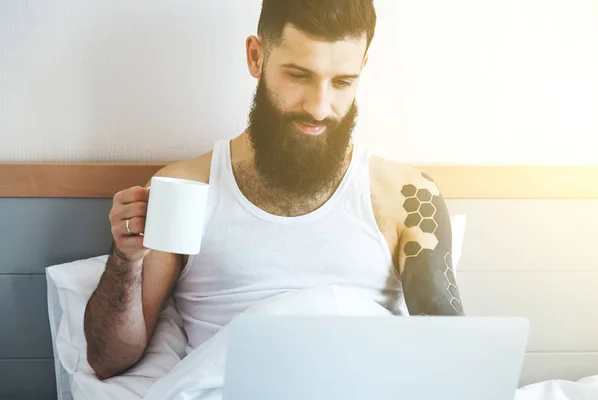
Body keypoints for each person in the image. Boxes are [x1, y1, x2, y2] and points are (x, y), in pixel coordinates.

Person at [83, 0, 464, 381]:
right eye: (298, 75)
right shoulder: (187, 189)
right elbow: (109, 358)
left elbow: (450, 355)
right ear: (256, 57)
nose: (319, 107)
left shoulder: (407, 197)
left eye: (342, 82)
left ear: (362, 68)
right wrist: (125, 260)